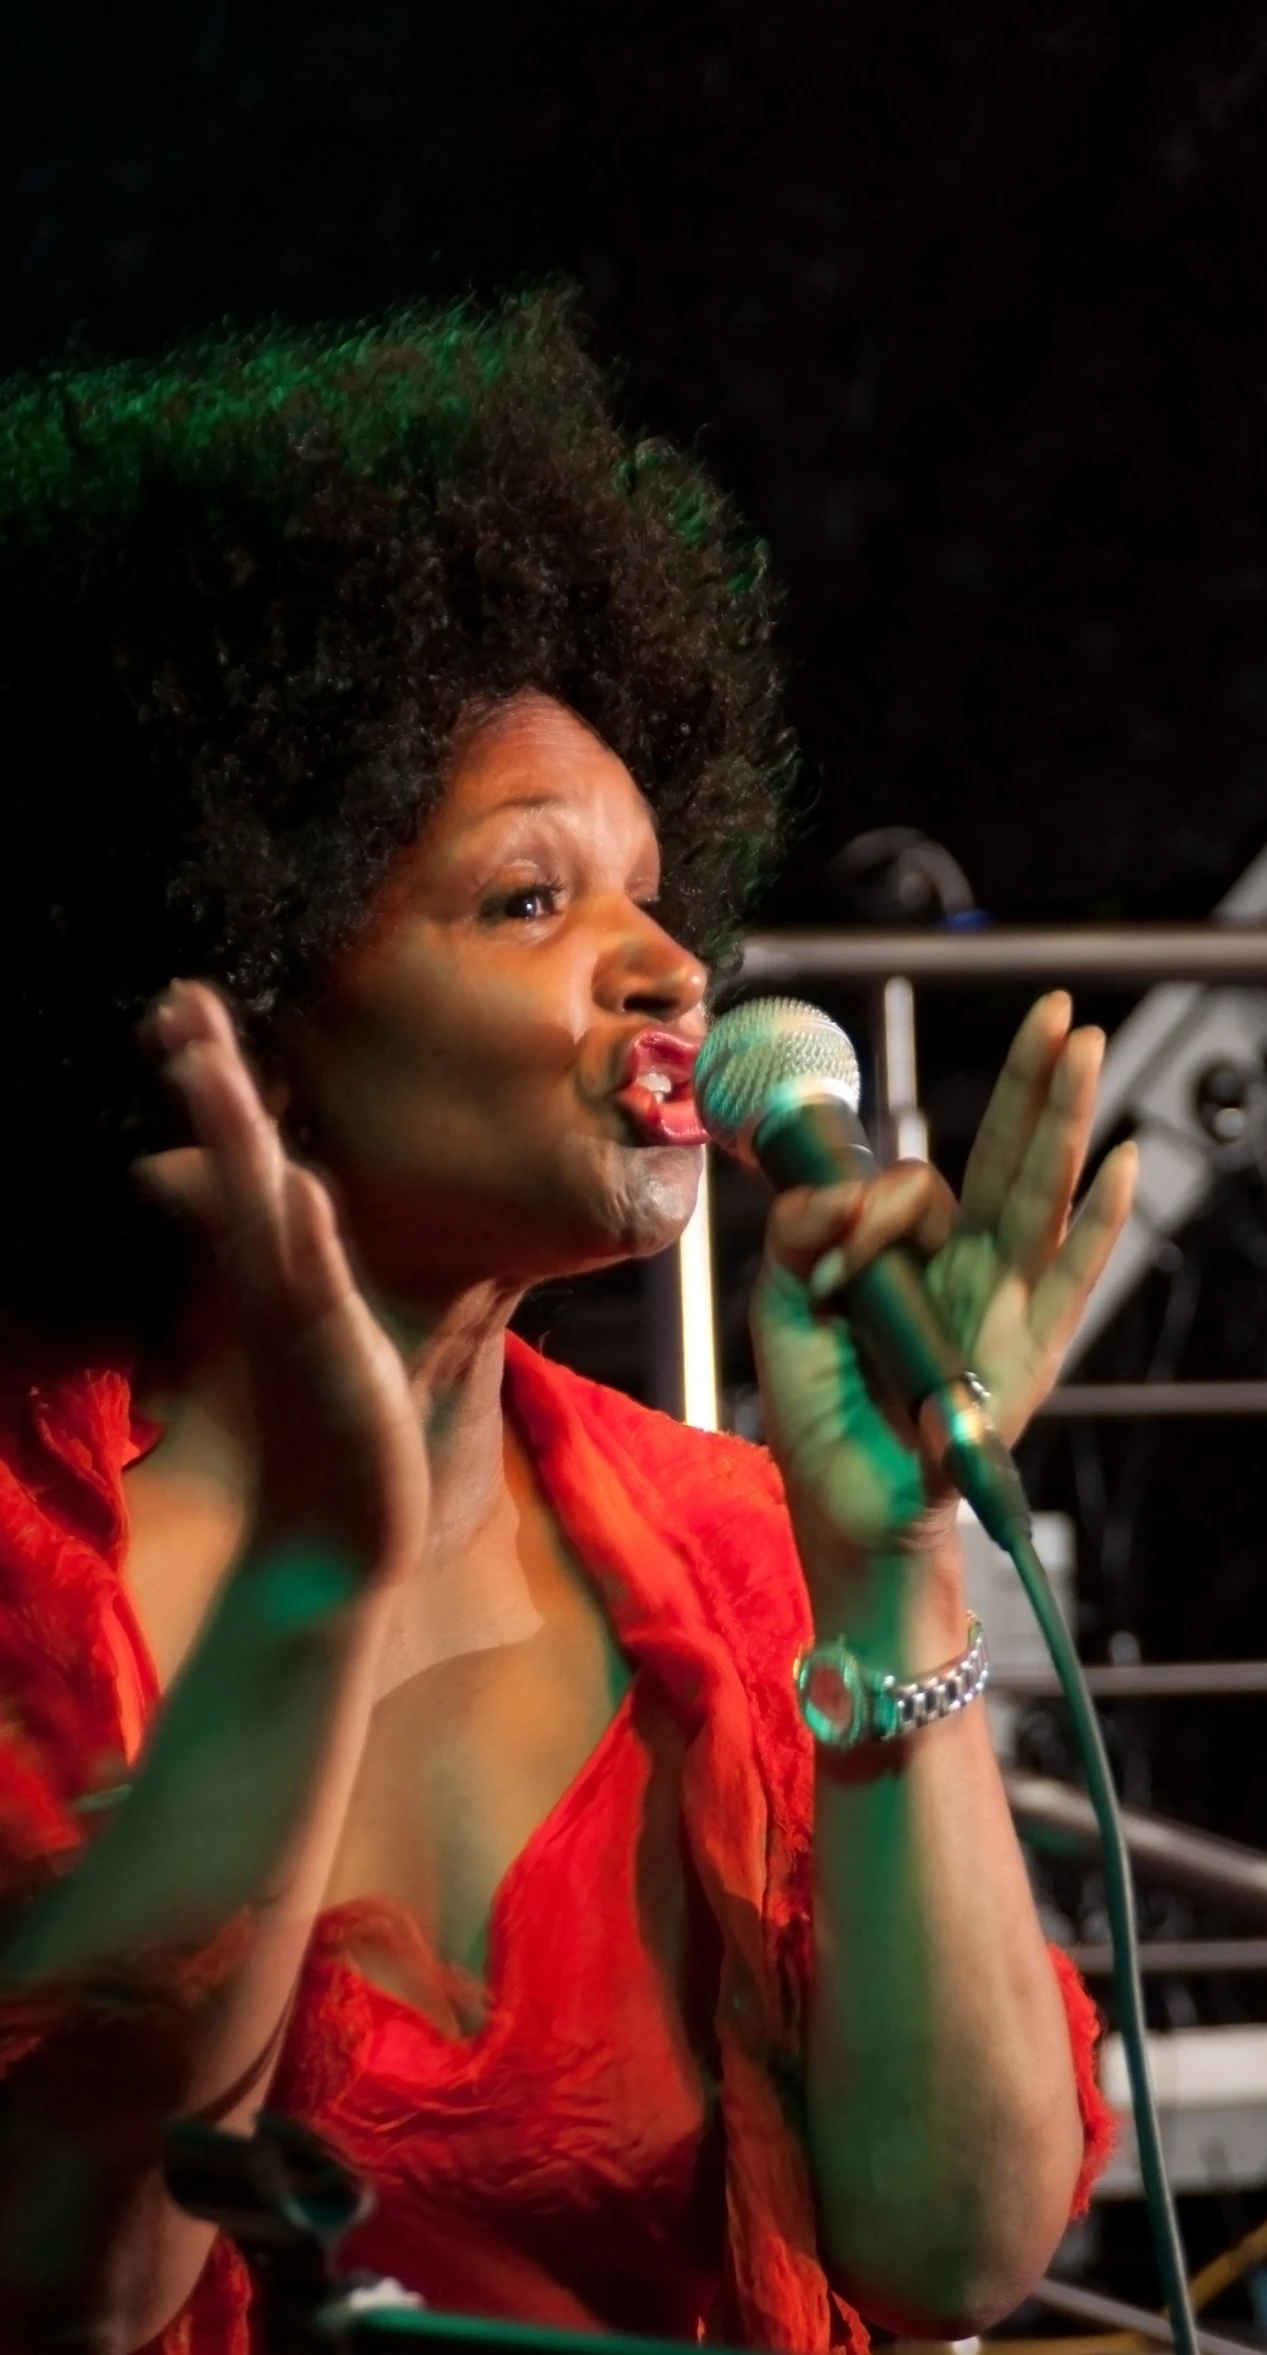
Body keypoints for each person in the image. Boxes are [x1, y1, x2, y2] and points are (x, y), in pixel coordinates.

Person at [0, 295, 1135, 2354]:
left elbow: (950, 2252)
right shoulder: (24, 1552)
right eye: (529, 899)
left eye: (647, 885)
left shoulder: (721, 1544)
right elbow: (70, 2284)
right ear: (238, 992)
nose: (665, 967)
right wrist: (311, 1592)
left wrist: (883, 1575)